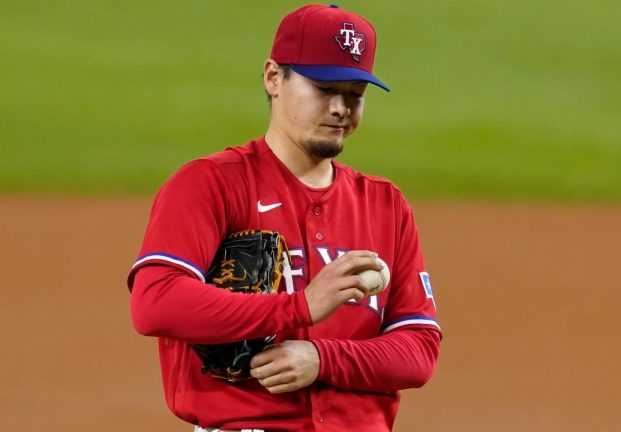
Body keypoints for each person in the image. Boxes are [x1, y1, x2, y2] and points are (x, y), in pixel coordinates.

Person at [128, 4, 441, 432]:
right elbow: (155, 304)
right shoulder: (211, 184)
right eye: (323, 88)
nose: (340, 108)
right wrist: (300, 307)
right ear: (274, 78)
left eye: (354, 94)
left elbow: (419, 350)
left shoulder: (385, 205)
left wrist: (323, 359)